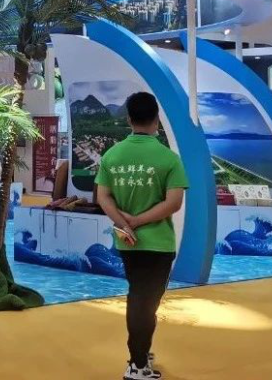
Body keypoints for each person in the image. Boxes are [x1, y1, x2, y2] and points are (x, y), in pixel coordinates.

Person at [95, 92, 188, 380]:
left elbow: (103, 197)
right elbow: (173, 203)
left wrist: (125, 223)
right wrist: (139, 221)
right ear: (156, 119)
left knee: (142, 296)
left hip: (127, 241)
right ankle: (137, 364)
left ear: (128, 119)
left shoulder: (112, 156)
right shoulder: (169, 158)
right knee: (144, 301)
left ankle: (141, 350)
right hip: (158, 243)